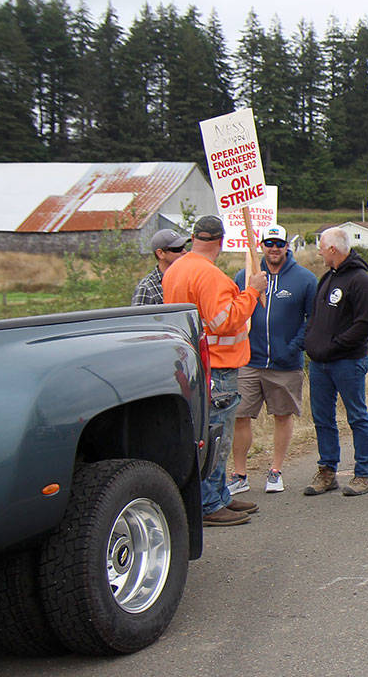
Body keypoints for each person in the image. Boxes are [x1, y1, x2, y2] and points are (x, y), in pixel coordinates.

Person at [162, 215, 267, 527]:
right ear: (220, 242)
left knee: (210, 436)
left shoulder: (176, 269)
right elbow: (224, 321)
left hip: (191, 362)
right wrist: (251, 292)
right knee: (216, 438)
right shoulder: (210, 276)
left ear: (194, 237)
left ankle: (219, 495)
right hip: (217, 366)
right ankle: (210, 503)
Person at [228, 225, 317, 495]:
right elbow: (234, 311)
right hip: (249, 361)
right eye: (269, 243)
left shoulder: (304, 279)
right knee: (240, 415)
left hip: (284, 364)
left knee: (282, 415)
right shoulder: (245, 276)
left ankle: (276, 470)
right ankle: (240, 474)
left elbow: (312, 319)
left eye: (279, 243)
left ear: (287, 246)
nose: (274, 248)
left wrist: (293, 348)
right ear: (262, 246)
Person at [303, 227, 368, 497]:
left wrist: (333, 346)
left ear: (333, 249)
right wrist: (310, 341)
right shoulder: (327, 278)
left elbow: (363, 325)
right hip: (319, 363)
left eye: (322, 247)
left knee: (357, 416)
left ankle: (364, 473)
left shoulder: (361, 282)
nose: (319, 252)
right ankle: (327, 470)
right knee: (322, 418)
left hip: (347, 361)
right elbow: (315, 316)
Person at [132, 228, 189, 305]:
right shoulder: (146, 288)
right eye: (178, 249)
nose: (184, 252)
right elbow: (139, 316)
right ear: (160, 253)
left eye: (184, 247)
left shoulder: (189, 279)